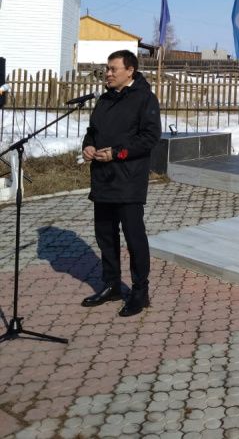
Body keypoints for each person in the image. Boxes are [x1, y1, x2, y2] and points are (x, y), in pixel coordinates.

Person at [80, 50, 161, 316]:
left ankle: (140, 291)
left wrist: (117, 153)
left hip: (128, 179)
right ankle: (112, 284)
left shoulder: (145, 98)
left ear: (130, 71)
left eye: (113, 69)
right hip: (103, 178)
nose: (108, 73)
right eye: (107, 68)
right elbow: (92, 131)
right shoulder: (104, 99)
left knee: (134, 237)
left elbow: (150, 137)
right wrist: (88, 146)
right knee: (105, 234)